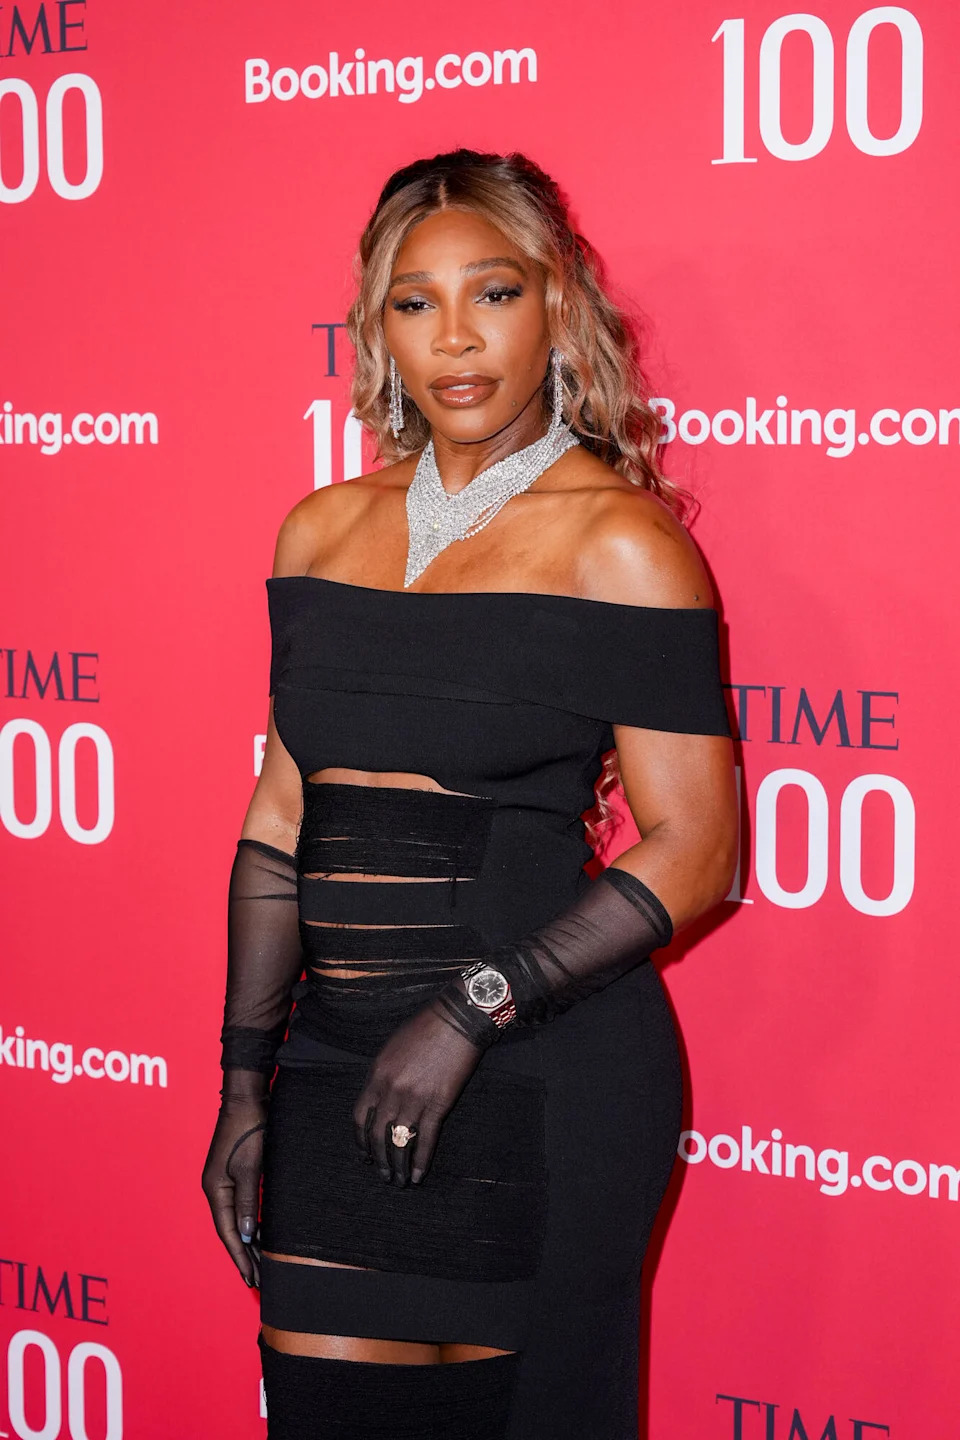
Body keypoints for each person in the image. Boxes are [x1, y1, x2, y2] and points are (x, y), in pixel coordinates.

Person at [202, 147, 737, 1440]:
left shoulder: (622, 541)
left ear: (557, 305)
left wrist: (467, 1011)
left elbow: (698, 850)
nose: (455, 338)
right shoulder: (319, 530)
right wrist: (243, 1082)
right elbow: (280, 826)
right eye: (415, 302)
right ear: (378, 328)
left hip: (536, 1054)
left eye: (492, 293)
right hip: (336, 1060)